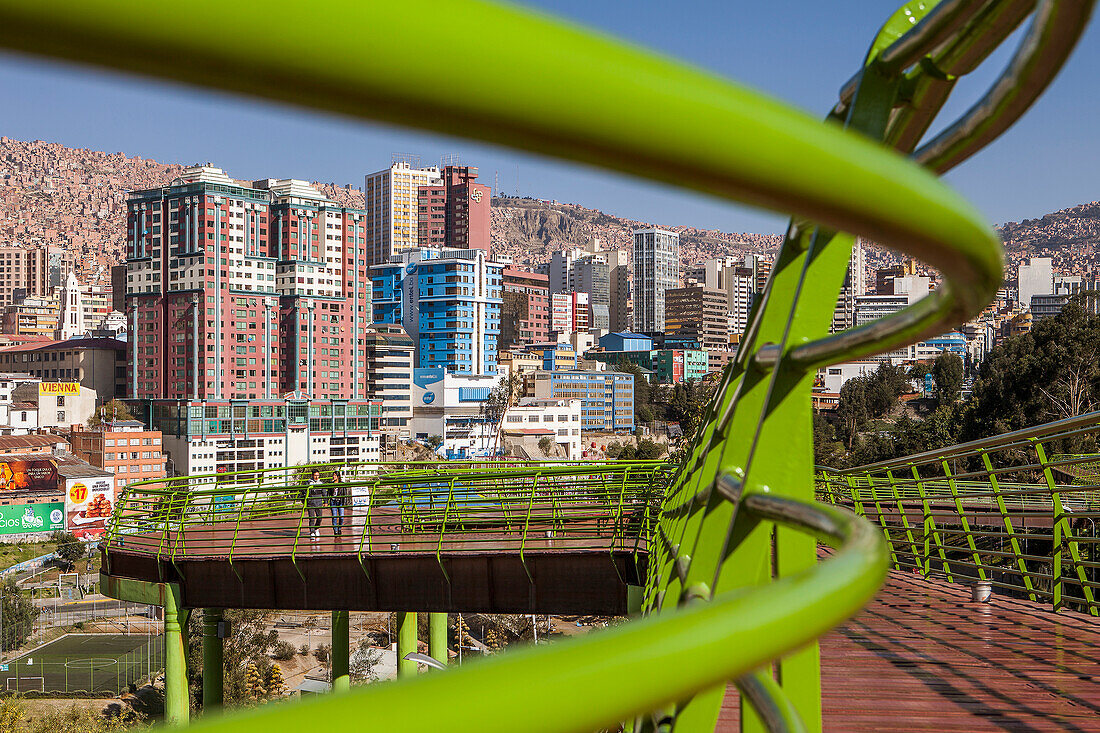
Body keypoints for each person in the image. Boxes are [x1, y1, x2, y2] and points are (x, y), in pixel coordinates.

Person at [305, 470, 327, 540]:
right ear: (312, 476)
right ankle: (312, 532)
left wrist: (325, 501)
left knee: (319, 517)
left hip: (319, 503)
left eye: (318, 475)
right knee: (312, 518)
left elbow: (324, 493)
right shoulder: (308, 483)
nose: (317, 477)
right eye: (315, 475)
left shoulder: (321, 483)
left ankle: (316, 528)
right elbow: (304, 492)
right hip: (311, 503)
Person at [330, 469, 350, 536]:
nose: (333, 477)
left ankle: (339, 528)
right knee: (334, 517)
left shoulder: (342, 484)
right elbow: (329, 493)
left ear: (338, 476)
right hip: (333, 501)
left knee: (341, 517)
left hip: (340, 501)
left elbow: (345, 493)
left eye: (335, 476)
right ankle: (335, 530)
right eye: (333, 475)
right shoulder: (331, 484)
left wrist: (345, 502)